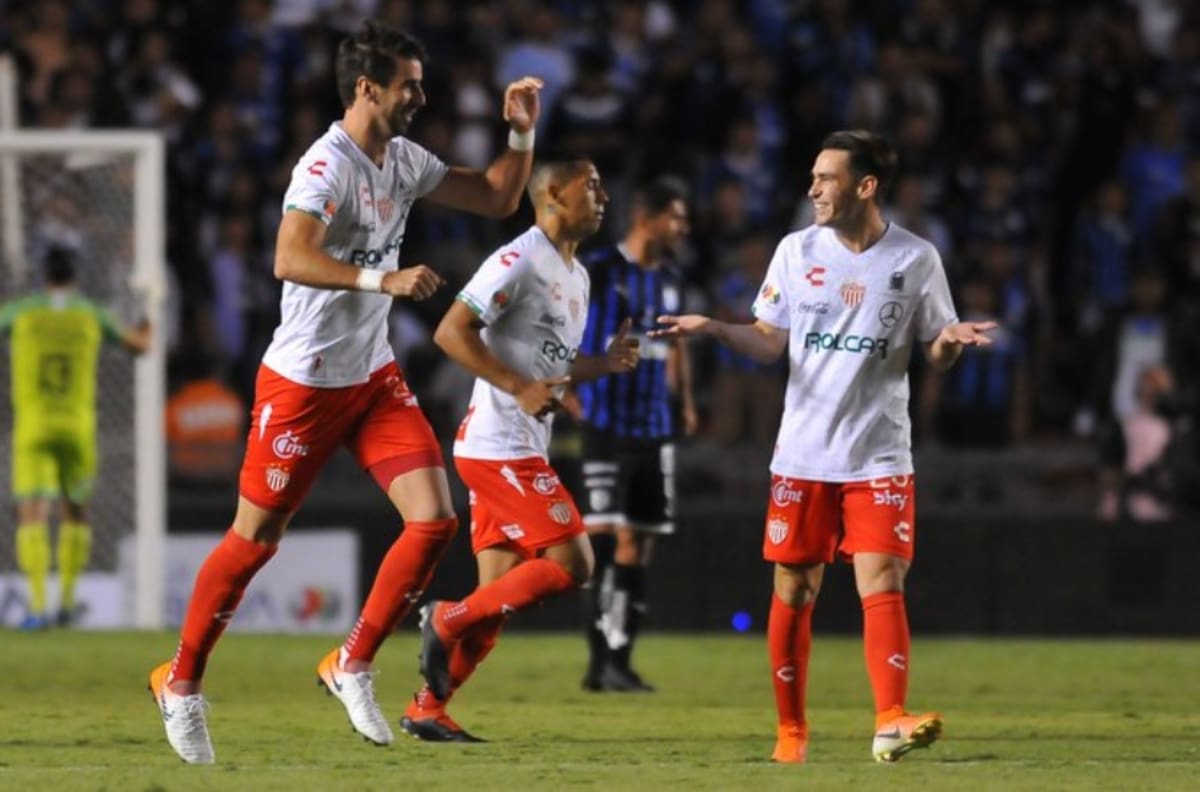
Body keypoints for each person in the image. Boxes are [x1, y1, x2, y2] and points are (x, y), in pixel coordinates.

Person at [147, 20, 544, 764]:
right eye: (410, 86)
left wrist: (520, 136)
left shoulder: (402, 159)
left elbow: (495, 199)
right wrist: (381, 278)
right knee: (255, 540)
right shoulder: (324, 168)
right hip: (303, 383)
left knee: (433, 521)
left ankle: (352, 661)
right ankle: (182, 681)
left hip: (372, 377)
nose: (421, 97)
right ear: (368, 88)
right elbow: (288, 256)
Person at [652, 130, 996, 764]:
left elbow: (936, 352)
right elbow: (767, 339)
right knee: (794, 590)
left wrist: (951, 339)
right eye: (812, 176)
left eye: (826, 178)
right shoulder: (795, 251)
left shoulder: (916, 258)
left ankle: (890, 720)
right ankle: (792, 734)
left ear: (865, 186)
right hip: (804, 454)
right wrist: (715, 329)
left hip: (880, 454)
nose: (812, 188)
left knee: (884, 577)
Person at [406, 158, 638, 741]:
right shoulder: (518, 258)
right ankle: (444, 617)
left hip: (519, 444)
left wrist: (600, 366)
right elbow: (450, 331)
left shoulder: (576, 275)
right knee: (575, 563)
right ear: (554, 194)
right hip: (498, 447)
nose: (604, 195)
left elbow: (547, 369)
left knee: (497, 602)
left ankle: (426, 708)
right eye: (592, 186)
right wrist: (518, 388)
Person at [573, 175, 698, 693]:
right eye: (676, 217)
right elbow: (566, 326)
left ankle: (620, 660)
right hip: (604, 424)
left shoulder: (670, 278)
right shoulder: (599, 270)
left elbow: (676, 344)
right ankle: (598, 661)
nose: (683, 227)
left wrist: (685, 401)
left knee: (639, 544)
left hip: (654, 430)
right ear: (646, 217)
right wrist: (568, 389)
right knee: (602, 543)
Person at [0, 246, 152, 629]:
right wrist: (148, 317)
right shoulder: (90, 314)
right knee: (75, 510)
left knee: (32, 511)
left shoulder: (22, 313)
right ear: (75, 276)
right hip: (76, 426)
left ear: (43, 275)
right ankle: (66, 602)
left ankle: (36, 607)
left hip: (33, 425)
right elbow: (140, 346)